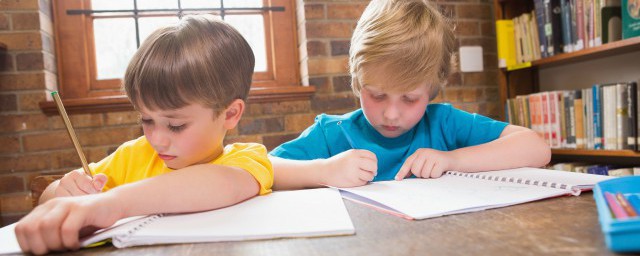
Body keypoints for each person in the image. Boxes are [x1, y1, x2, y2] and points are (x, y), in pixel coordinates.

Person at [15, 15, 273, 255]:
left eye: (175, 125)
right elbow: (48, 197)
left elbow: (217, 184)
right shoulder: (133, 156)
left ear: (230, 114)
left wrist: (112, 204)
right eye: (147, 119)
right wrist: (63, 192)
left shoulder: (246, 161)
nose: (156, 139)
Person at [269, 0, 550, 190]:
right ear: (358, 80)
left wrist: (452, 160)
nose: (391, 114)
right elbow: (260, 168)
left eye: (410, 99)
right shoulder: (333, 134)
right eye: (378, 95)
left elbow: (537, 147)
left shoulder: (443, 122)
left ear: (431, 89)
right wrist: (324, 171)